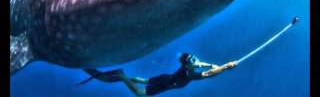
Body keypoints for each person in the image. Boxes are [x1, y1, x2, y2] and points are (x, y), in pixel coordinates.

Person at [78, 53, 237, 96]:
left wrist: (209, 63)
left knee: (144, 80)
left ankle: (125, 76)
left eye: (194, 58)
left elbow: (201, 65)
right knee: (140, 93)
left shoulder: (190, 65)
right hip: (166, 83)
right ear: (186, 64)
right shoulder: (189, 74)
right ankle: (122, 76)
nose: (196, 61)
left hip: (166, 77)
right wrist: (224, 67)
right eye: (192, 60)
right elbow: (209, 74)